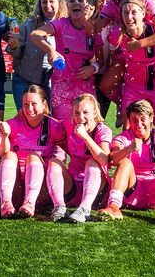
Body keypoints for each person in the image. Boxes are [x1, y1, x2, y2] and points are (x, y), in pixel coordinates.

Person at [98, 100, 155, 224]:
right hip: (132, 190)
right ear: (128, 120)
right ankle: (114, 206)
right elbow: (111, 160)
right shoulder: (124, 138)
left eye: (142, 119)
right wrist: (128, 149)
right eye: (134, 120)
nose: (139, 124)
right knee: (125, 163)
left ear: (151, 118)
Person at [107, 0, 155, 129]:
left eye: (133, 12)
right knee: (128, 134)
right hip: (134, 89)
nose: (129, 17)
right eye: (125, 13)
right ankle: (121, 109)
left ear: (143, 13)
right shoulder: (117, 35)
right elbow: (114, 57)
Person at [30, 0, 102, 121]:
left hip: (85, 86)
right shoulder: (62, 24)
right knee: (62, 128)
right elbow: (35, 34)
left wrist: (93, 68)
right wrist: (51, 50)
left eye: (80, 0)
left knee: (87, 126)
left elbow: (103, 60)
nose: (76, 2)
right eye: (72, 0)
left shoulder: (94, 28)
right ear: (67, 6)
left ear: (86, 6)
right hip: (62, 86)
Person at [0, 85, 66, 218]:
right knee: (9, 154)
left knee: (33, 156)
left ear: (44, 104)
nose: (29, 109)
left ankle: (29, 203)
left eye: (34, 104)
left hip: (40, 188)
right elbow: (2, 153)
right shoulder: (13, 124)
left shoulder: (54, 126)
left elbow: (62, 154)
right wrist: (4, 135)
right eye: (25, 104)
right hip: (13, 186)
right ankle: (5, 203)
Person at [46, 94, 112, 223]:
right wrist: (28, 114)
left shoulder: (103, 130)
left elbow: (104, 159)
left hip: (96, 189)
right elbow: (48, 123)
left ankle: (85, 209)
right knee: (54, 162)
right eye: (76, 113)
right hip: (73, 187)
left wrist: (85, 137)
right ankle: (59, 207)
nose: (80, 118)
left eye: (85, 112)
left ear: (94, 112)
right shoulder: (69, 125)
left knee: (92, 161)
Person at [6, 0, 66, 111]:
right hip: (24, 80)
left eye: (51, 1)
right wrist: (14, 46)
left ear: (59, 2)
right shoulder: (29, 25)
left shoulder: (66, 25)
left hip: (51, 82)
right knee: (24, 121)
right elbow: (15, 53)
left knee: (49, 122)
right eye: (44, 2)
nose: (48, 6)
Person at [91, 0, 114, 119]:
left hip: (109, 73)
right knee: (90, 109)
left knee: (101, 113)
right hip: (93, 72)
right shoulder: (91, 22)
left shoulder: (115, 23)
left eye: (107, 1)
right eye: (101, 0)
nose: (104, 4)